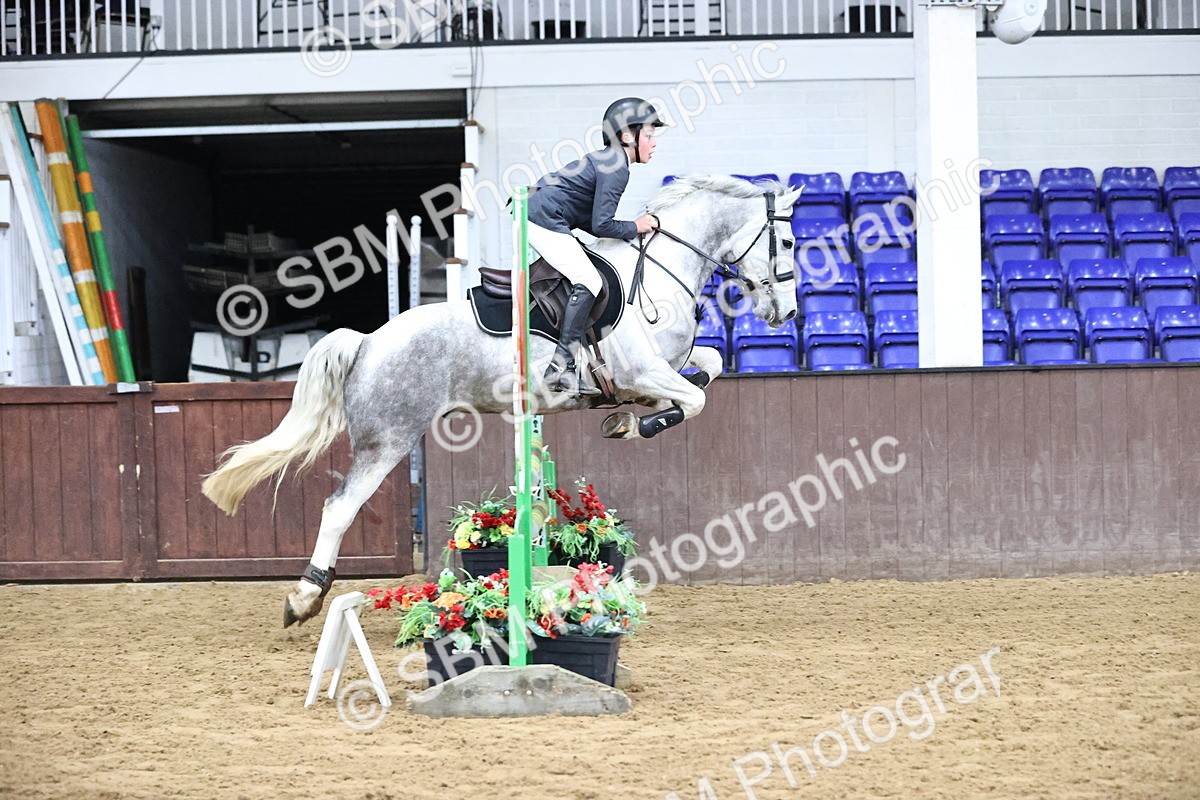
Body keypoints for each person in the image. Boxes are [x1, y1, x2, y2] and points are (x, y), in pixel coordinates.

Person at [526, 97, 664, 396]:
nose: (654, 143)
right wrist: (636, 226)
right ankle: (560, 368)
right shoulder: (617, 166)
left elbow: (591, 220)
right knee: (588, 280)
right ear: (628, 136)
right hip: (541, 216)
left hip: (541, 213)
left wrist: (629, 230)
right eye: (650, 136)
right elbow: (602, 225)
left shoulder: (608, 160)